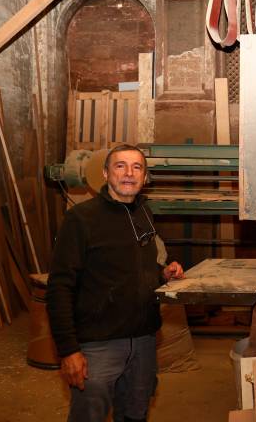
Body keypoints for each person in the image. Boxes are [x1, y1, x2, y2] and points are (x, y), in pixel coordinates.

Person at [47, 144, 184, 422]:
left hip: (144, 340)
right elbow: (60, 287)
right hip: (98, 345)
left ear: (145, 177)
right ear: (105, 174)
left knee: (135, 414)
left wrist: (161, 273)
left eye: (137, 167)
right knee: (90, 416)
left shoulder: (144, 213)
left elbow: (133, 266)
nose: (129, 174)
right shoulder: (81, 219)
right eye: (120, 166)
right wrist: (69, 350)